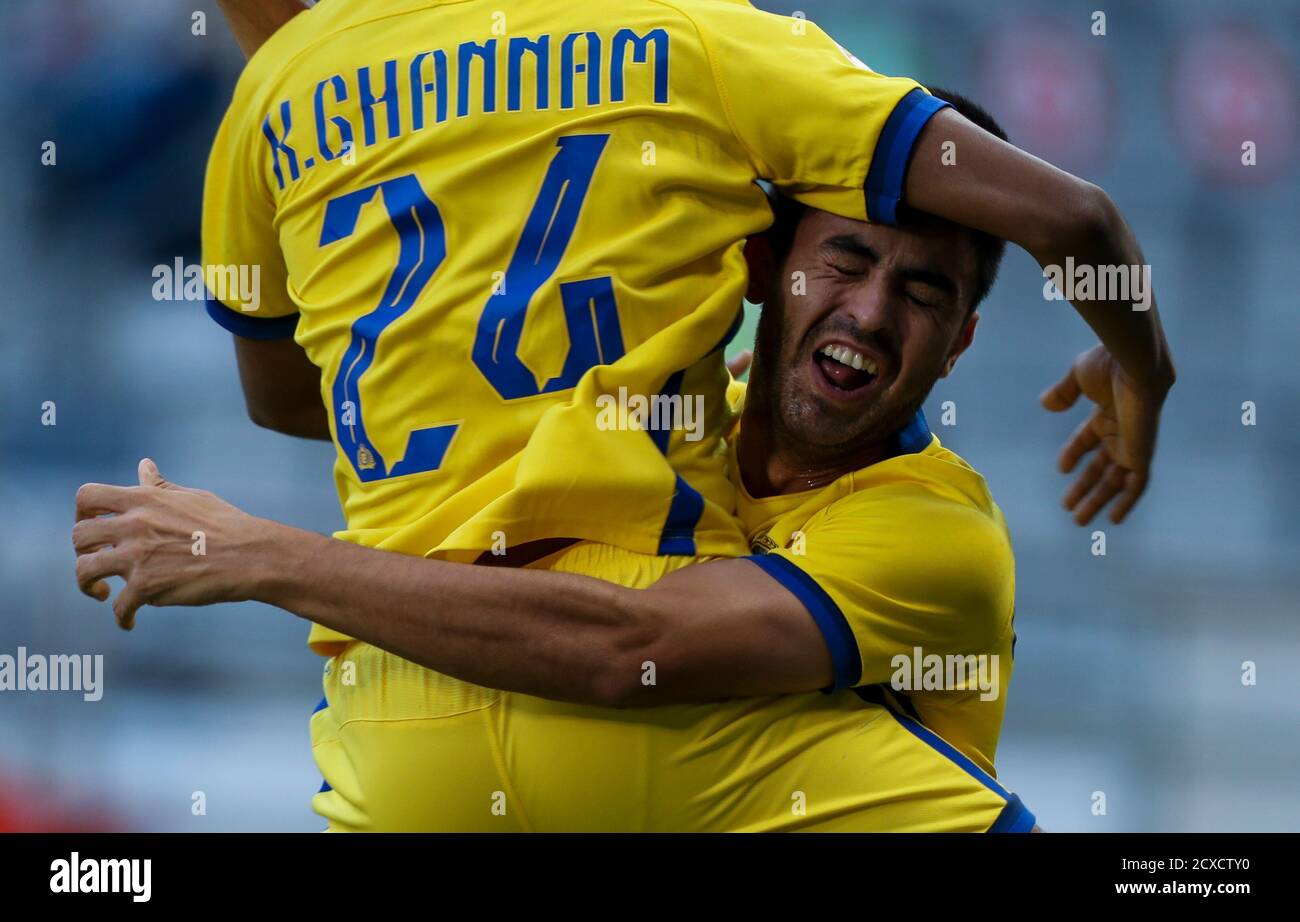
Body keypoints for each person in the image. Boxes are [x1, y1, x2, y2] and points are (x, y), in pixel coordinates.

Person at [76, 0, 1174, 829]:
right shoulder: (708, 63)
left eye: (925, 292)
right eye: (843, 259)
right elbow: (1070, 217)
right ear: (753, 265)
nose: (873, 313)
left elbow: (626, 645)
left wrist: (271, 553)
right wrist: (1142, 369)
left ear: (962, 342)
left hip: (397, 745)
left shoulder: (943, 537)